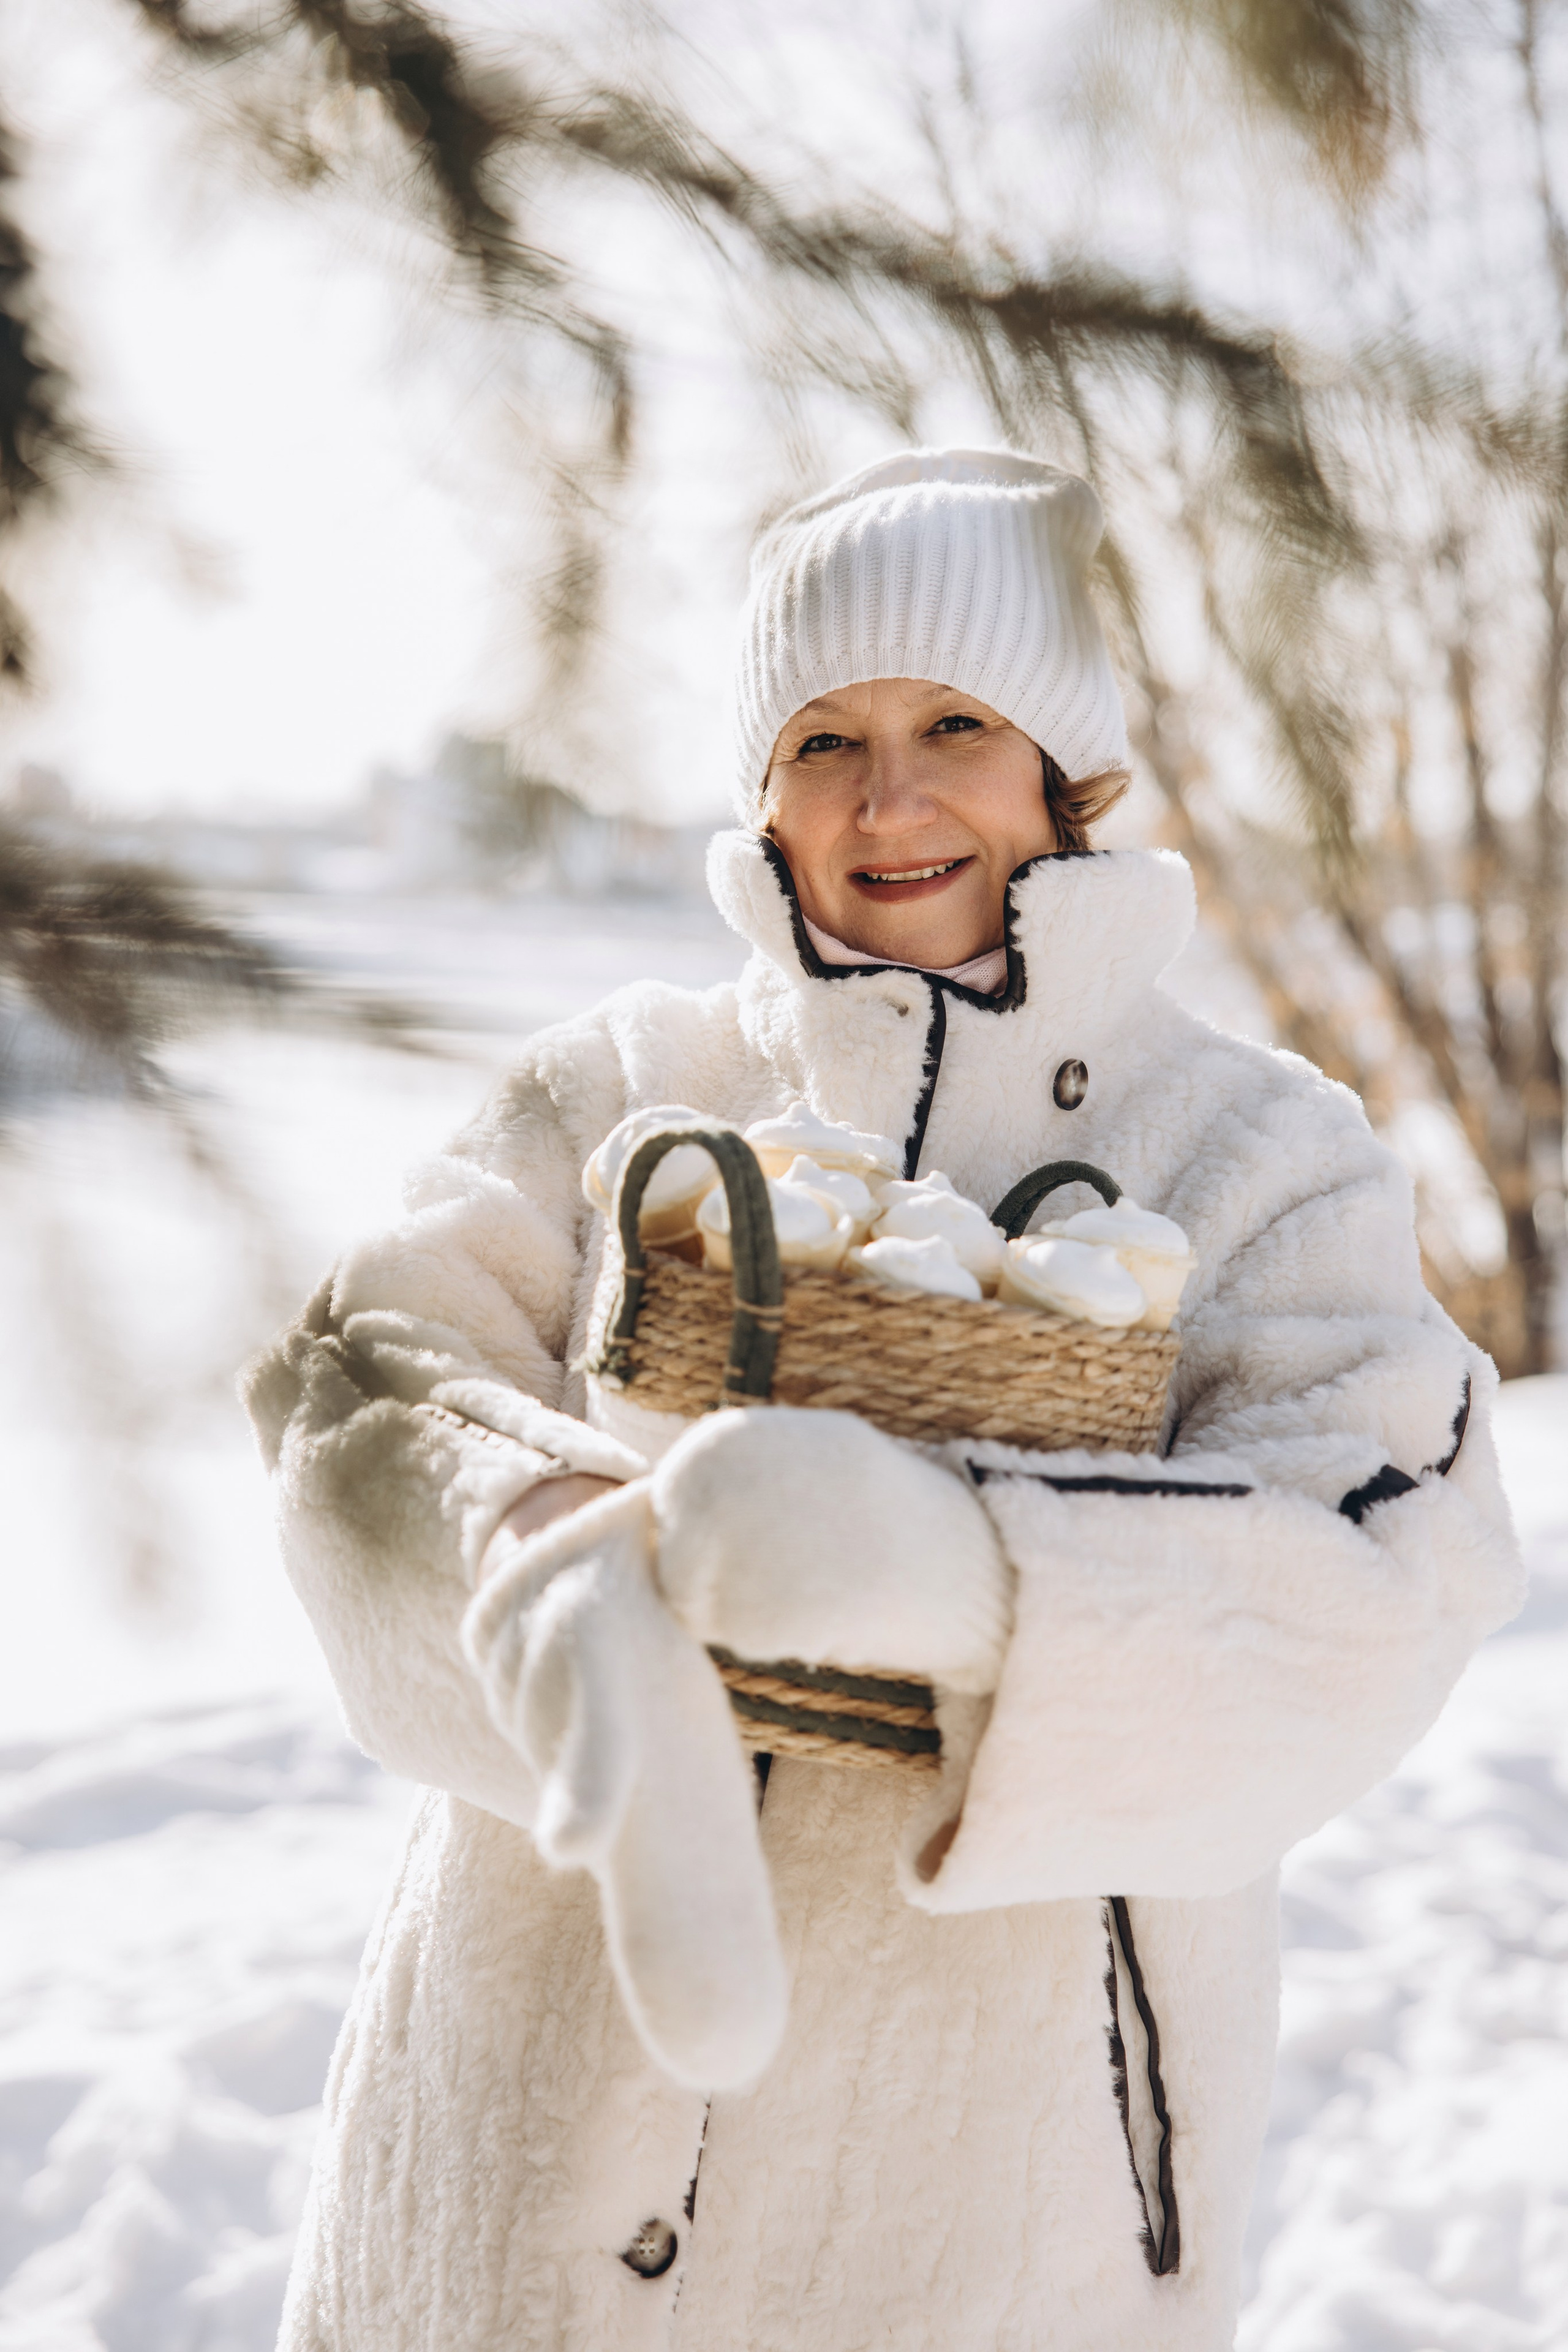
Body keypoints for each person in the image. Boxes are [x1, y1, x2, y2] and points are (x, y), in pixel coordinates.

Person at [245, 447, 1522, 2351]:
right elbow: (358, 1371)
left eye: (956, 726)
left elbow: (1392, 1561)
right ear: (762, 794)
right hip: (532, 2155)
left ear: (1067, 773)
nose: (890, 797)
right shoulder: (628, 1087)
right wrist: (542, 1563)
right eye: (823, 740)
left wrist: (963, 1576)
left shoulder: (1260, 1152)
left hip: (1005, 2208)